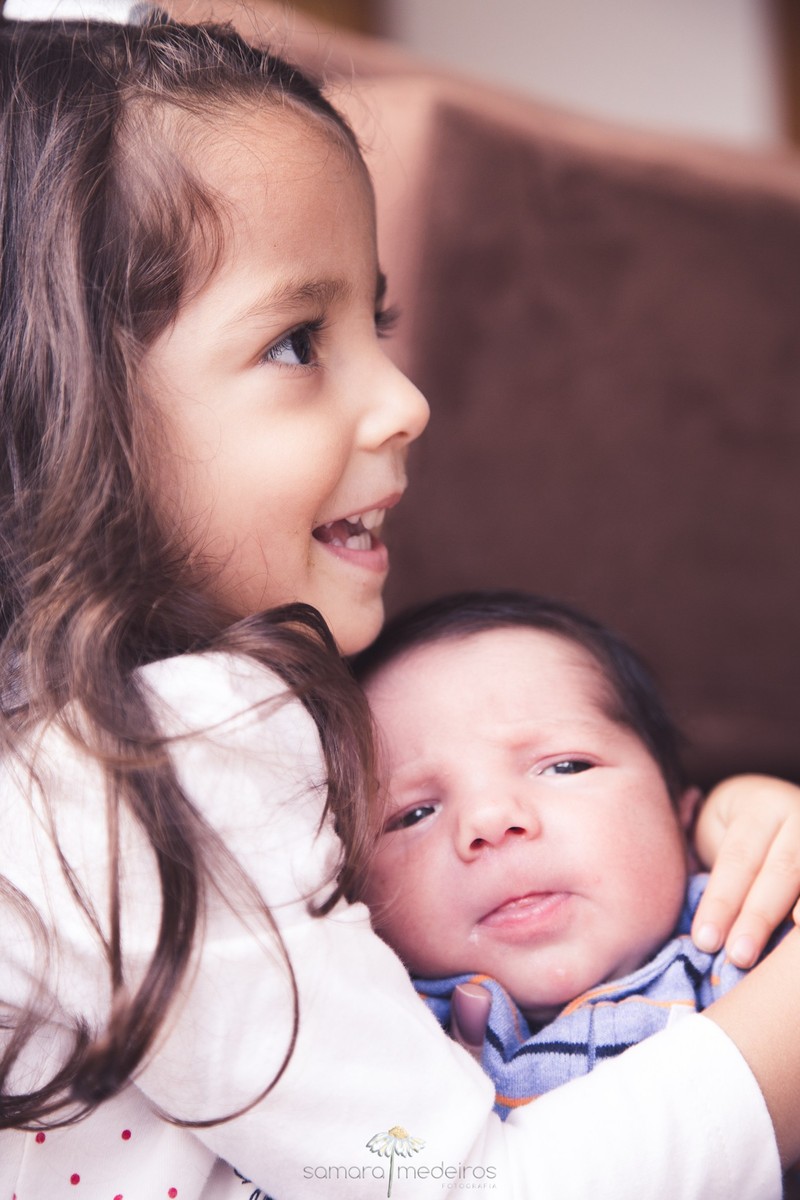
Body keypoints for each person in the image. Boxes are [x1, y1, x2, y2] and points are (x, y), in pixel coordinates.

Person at [0, 10, 799, 1200]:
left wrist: (709, 818)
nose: (405, 398)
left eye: (372, 323)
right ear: (61, 407)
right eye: (292, 342)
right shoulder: (161, 751)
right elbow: (440, 1188)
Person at [352, 590, 799, 1121]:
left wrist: (758, 818)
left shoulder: (747, 939)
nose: (491, 819)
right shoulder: (365, 1033)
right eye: (413, 814)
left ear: (681, 814)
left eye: (564, 767)